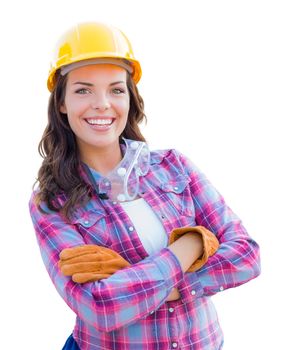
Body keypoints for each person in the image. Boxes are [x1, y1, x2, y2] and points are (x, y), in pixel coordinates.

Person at [29, 22, 261, 350]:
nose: (101, 103)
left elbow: (247, 255)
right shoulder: (51, 201)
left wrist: (153, 283)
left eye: (116, 89)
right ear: (62, 103)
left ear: (130, 97)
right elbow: (102, 308)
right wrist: (191, 245)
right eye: (83, 90)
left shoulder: (174, 167)